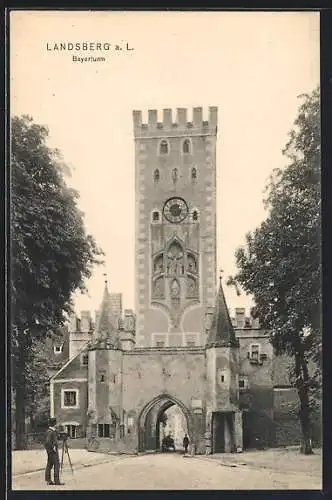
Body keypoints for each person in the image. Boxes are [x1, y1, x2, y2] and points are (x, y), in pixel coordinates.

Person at [44, 417, 64, 486]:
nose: (56, 424)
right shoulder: (51, 432)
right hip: (53, 451)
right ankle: (56, 481)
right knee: (56, 465)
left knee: (49, 465)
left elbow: (54, 439)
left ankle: (48, 480)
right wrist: (53, 448)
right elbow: (47, 442)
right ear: (54, 423)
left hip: (50, 451)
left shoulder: (51, 431)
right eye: (56, 423)